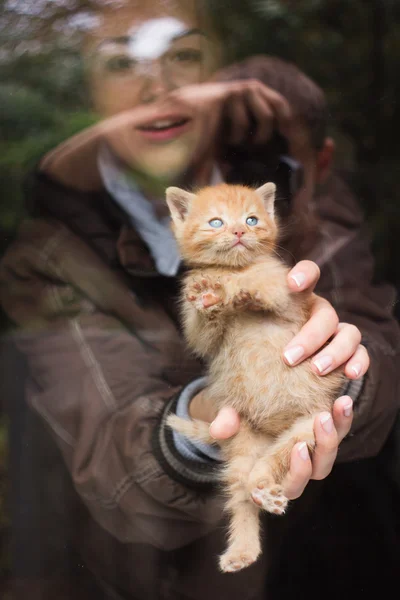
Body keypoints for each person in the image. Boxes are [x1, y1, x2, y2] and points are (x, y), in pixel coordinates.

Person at [0, 2, 398, 599]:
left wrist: (348, 375)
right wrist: (206, 421)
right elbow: (110, 449)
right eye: (120, 63)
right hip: (122, 578)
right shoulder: (47, 254)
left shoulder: (291, 183)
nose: (156, 85)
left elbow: (378, 342)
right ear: (91, 92)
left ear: (221, 78)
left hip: (324, 562)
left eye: (183, 55)